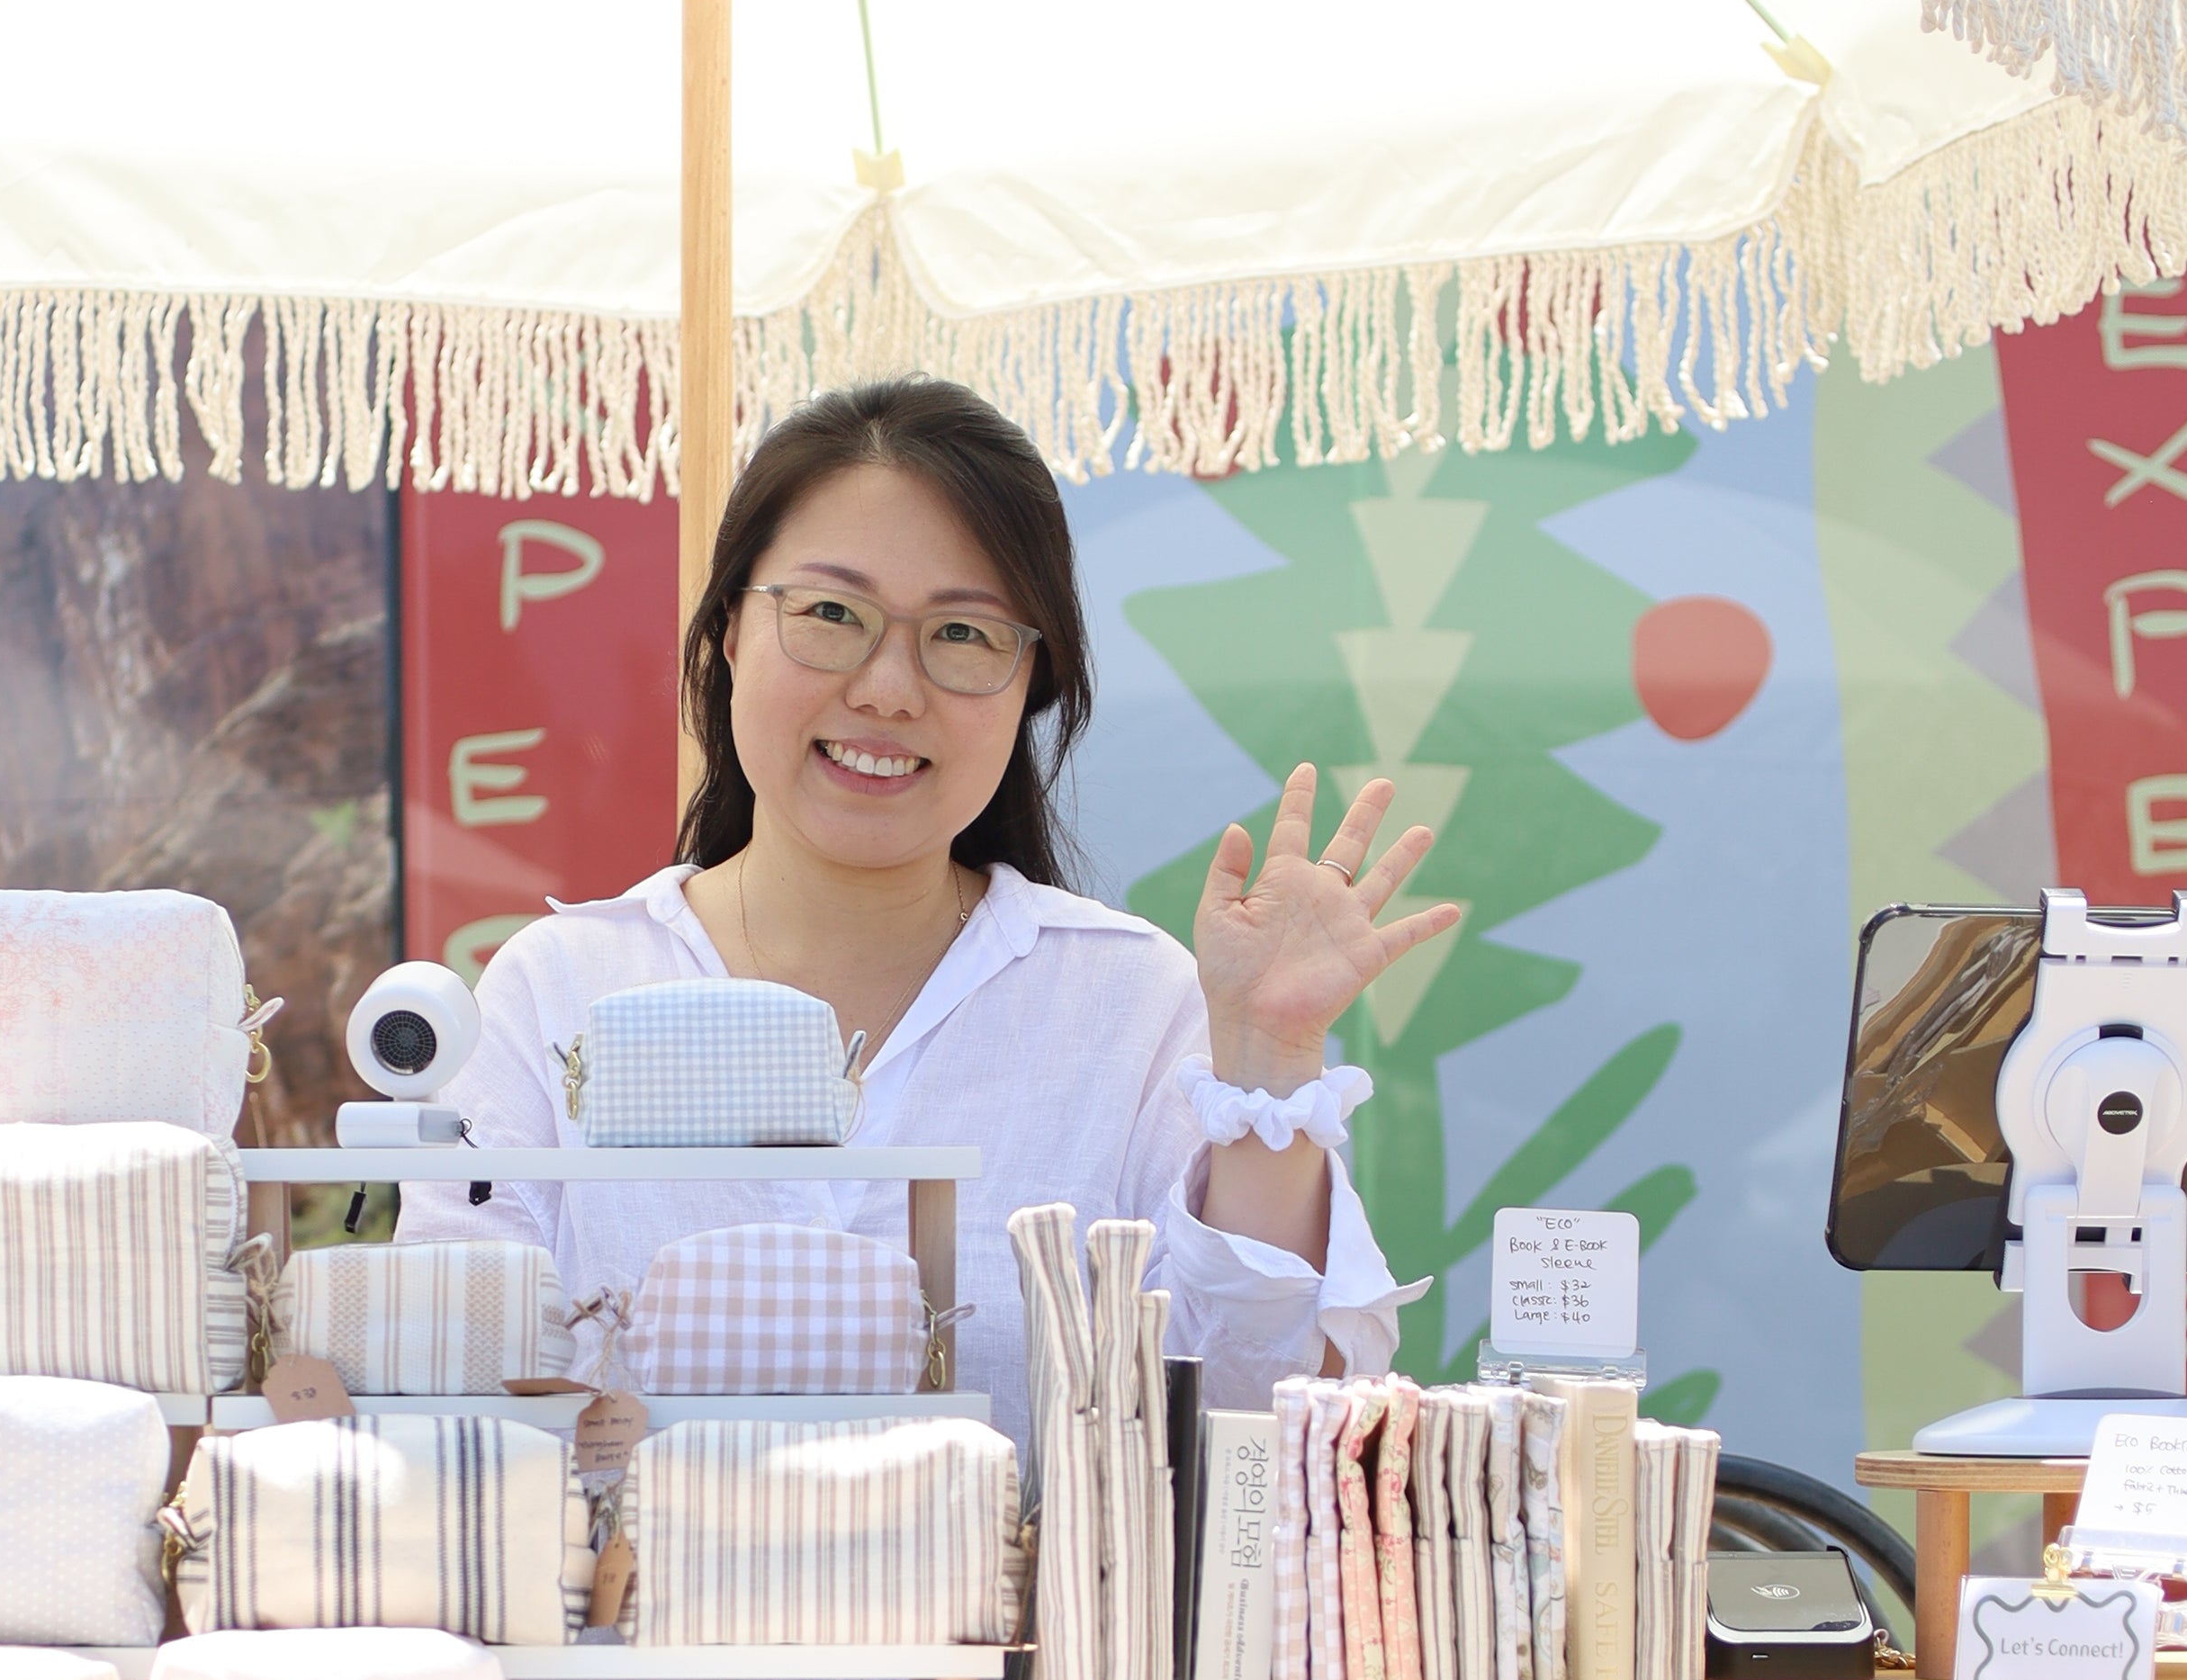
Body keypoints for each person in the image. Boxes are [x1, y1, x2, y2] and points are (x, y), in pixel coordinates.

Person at [400, 379, 1459, 1406]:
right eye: (829, 612)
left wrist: (1267, 1062)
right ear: (727, 630)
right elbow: (451, 1389)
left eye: (961, 633)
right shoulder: (559, 992)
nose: (887, 690)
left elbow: (1251, 1412)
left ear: (1030, 682)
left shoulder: (1131, 1005)